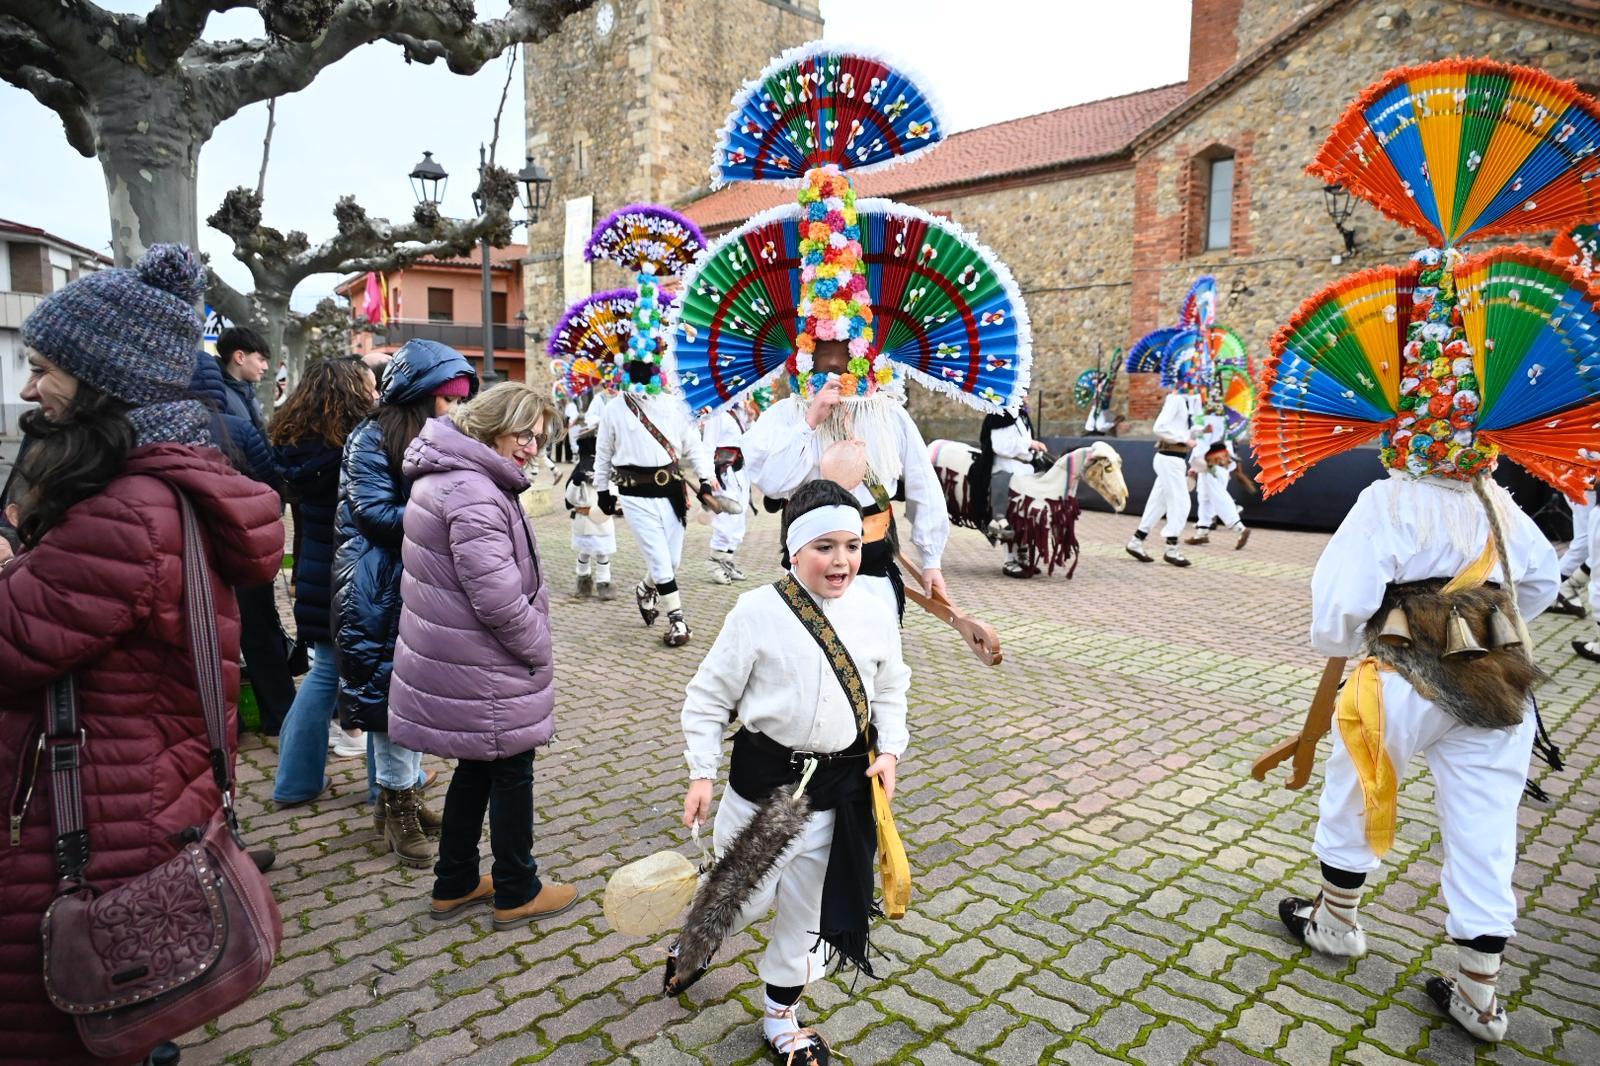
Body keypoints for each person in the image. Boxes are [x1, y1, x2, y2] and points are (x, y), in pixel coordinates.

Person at [0, 244, 283, 1065]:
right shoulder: (152, 494)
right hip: (141, 792)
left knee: (96, 1014)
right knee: (123, 1013)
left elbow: (14, 646)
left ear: (104, 382)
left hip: (99, 815)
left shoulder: (125, 515)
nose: (28, 390)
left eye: (44, 368)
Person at [676, 480, 910, 1065]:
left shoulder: (875, 608)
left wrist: (891, 749)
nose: (842, 561)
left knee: (809, 910)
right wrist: (702, 773)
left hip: (840, 794)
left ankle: (782, 1015)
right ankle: (695, 940)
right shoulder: (757, 610)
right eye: (825, 547)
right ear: (794, 550)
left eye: (853, 546)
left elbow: (891, 688)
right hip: (766, 791)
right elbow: (708, 696)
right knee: (738, 899)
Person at [389, 382, 580, 927]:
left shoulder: (452, 476)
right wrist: (537, 647)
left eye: (539, 439)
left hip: (464, 657)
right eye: (524, 433)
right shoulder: (473, 489)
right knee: (512, 770)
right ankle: (518, 888)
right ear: (494, 422)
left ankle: (456, 879)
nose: (531, 447)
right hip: (485, 662)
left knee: (476, 769)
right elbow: (497, 598)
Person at [332, 338, 476, 867]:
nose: (454, 409)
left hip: (415, 581)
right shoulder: (369, 437)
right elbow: (373, 511)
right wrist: (445, 518)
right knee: (392, 702)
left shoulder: (436, 435)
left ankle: (402, 796)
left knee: (406, 696)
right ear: (420, 394)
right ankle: (397, 810)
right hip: (377, 586)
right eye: (447, 398)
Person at [270, 357, 381, 809]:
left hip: (316, 571)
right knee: (376, 677)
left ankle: (294, 781)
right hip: (356, 574)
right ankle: (390, 785)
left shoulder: (293, 444)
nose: (376, 394)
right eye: (370, 387)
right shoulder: (357, 447)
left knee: (323, 676)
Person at [190, 327, 297, 734]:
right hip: (239, 545)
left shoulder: (141, 431)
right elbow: (270, 485)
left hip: (186, 554)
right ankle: (279, 716)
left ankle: (215, 725)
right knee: (260, 630)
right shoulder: (237, 426)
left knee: (203, 638)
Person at [593, 364, 717, 647]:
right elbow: (603, 454)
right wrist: (603, 490)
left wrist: (705, 480)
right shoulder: (614, 409)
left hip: (672, 491)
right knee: (660, 560)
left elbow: (694, 445)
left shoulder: (674, 405)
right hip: (634, 493)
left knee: (672, 561)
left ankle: (644, 588)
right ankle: (677, 621)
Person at [1126, 384, 1199, 567]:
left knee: (1158, 502)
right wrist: (1183, 439)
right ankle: (1171, 548)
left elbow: (1189, 429)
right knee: (1181, 501)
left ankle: (1137, 541)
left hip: (1177, 459)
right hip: (1169, 458)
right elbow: (1159, 428)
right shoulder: (1175, 399)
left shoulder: (1193, 400)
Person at [564, 389, 617, 599]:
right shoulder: (579, 472)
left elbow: (613, 488)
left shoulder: (606, 471)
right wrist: (577, 484)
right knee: (584, 554)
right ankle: (583, 583)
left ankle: (604, 584)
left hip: (602, 519)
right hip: (584, 520)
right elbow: (569, 499)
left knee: (603, 554)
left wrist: (612, 498)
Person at [703, 400, 753, 584]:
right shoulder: (715, 412)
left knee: (739, 518)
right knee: (727, 518)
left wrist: (750, 419)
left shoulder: (738, 410)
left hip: (740, 471)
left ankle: (727, 560)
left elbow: (745, 438)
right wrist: (708, 475)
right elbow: (707, 446)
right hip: (724, 473)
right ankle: (714, 561)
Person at [1549, 483, 1594, 617]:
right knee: (1586, 542)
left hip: (1587, 483)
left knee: (1587, 542)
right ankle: (1556, 587)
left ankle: (1555, 588)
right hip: (1583, 481)